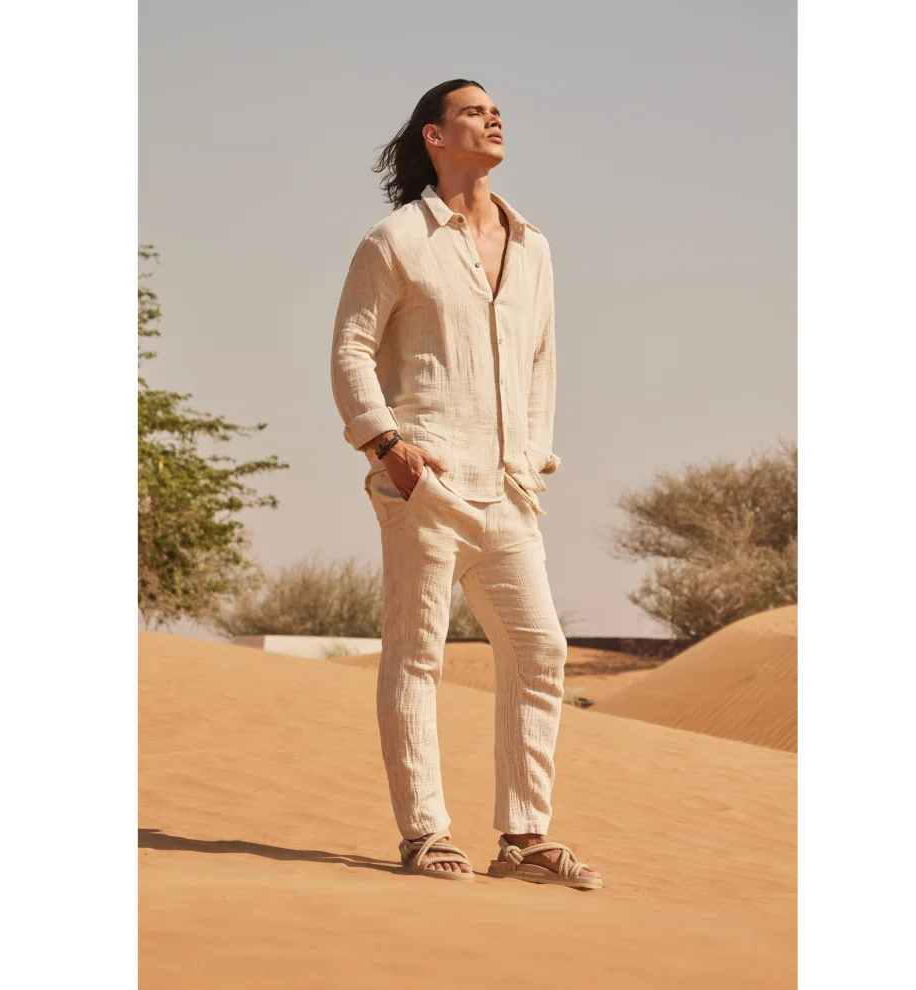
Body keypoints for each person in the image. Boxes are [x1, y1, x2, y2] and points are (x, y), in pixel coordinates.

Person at [329, 79, 602, 890]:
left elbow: (542, 358)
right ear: (435, 136)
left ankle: (523, 837)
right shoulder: (395, 240)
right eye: (474, 111)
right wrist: (387, 446)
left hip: (508, 488)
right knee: (417, 655)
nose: (493, 118)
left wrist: (534, 457)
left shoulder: (533, 245)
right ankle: (424, 833)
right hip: (427, 480)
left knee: (540, 648)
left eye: (496, 110)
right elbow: (350, 349)